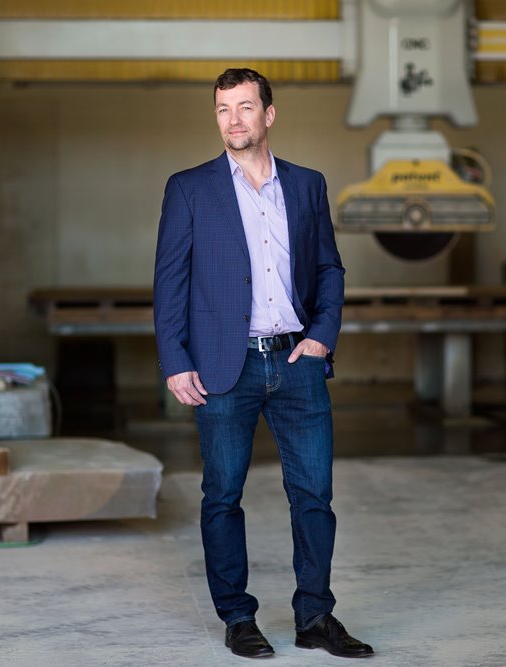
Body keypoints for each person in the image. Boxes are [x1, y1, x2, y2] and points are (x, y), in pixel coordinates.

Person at [153, 68, 374, 660]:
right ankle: (237, 617)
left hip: (298, 362)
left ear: (268, 115)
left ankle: (315, 617)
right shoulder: (189, 188)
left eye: (245, 107)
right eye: (223, 109)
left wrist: (322, 337)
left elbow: (328, 268)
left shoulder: (306, 185)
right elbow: (170, 281)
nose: (233, 120)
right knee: (223, 495)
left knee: (315, 496)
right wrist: (175, 361)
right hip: (224, 369)